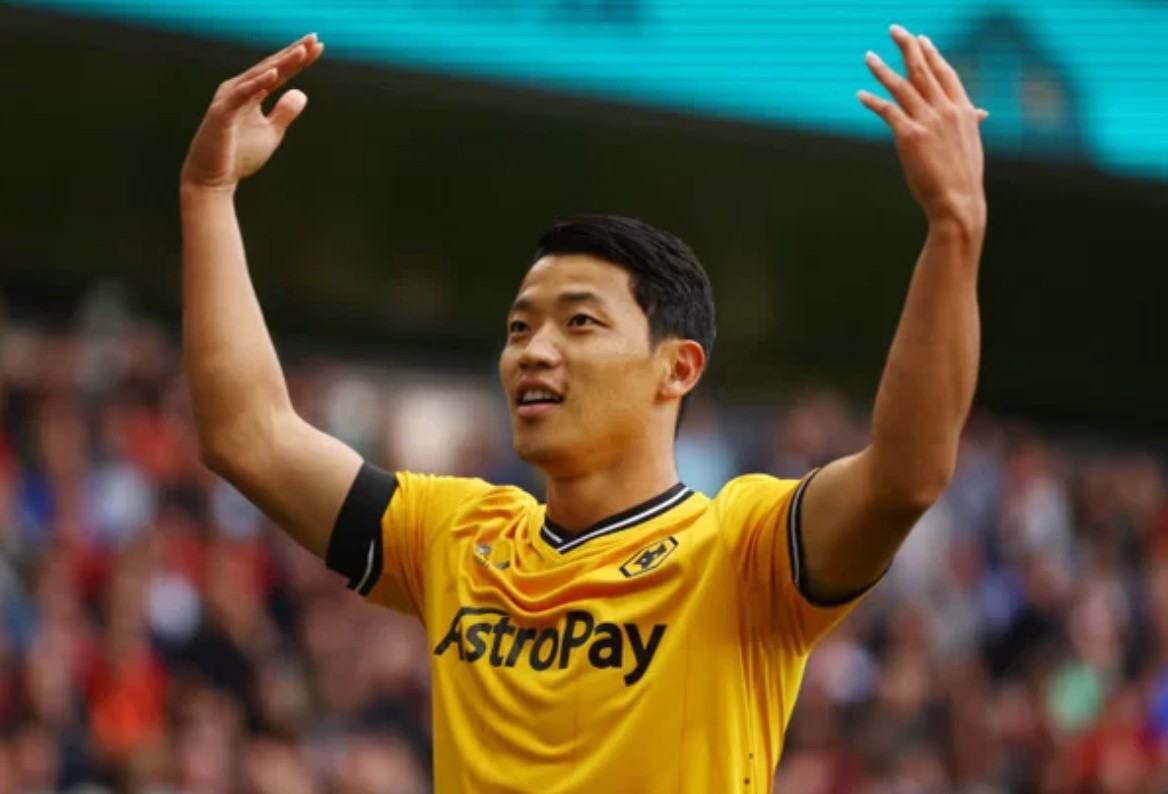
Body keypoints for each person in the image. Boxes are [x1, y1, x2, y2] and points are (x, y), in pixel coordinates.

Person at [179, 25, 987, 792]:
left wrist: (955, 229)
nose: (533, 350)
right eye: (519, 327)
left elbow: (906, 476)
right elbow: (249, 435)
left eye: (580, 323)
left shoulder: (743, 555)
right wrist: (209, 194)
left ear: (678, 368)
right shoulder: (456, 537)